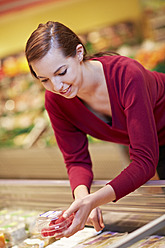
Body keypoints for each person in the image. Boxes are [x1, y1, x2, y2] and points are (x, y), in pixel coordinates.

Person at [25, 21, 165, 239]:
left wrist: (95, 200)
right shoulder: (56, 101)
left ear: (79, 53)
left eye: (61, 72)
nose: (56, 86)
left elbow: (145, 162)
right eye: (44, 80)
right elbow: (76, 160)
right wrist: (83, 197)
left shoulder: (128, 75)